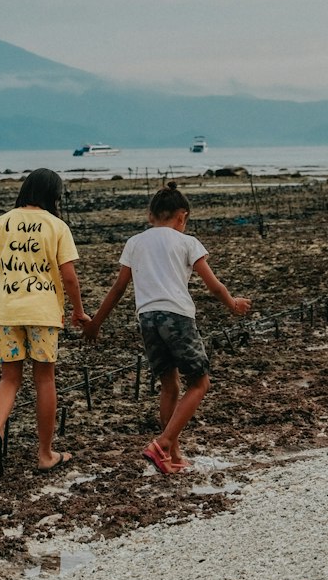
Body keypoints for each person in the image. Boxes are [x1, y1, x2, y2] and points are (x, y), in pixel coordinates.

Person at [82, 186, 251, 475]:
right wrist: (232, 303)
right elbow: (213, 284)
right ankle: (163, 443)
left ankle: (172, 456)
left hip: (147, 318)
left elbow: (119, 288)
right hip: (178, 317)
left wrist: (96, 322)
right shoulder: (187, 242)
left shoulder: (135, 242)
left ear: (150, 216)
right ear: (182, 217)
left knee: (169, 385)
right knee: (200, 383)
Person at [0, 168, 87, 476]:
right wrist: (78, 310)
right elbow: (70, 277)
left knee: (9, 379)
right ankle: (46, 454)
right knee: (45, 380)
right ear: (52, 195)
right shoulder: (56, 225)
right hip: (44, 314)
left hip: (9, 312)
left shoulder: (3, 222)